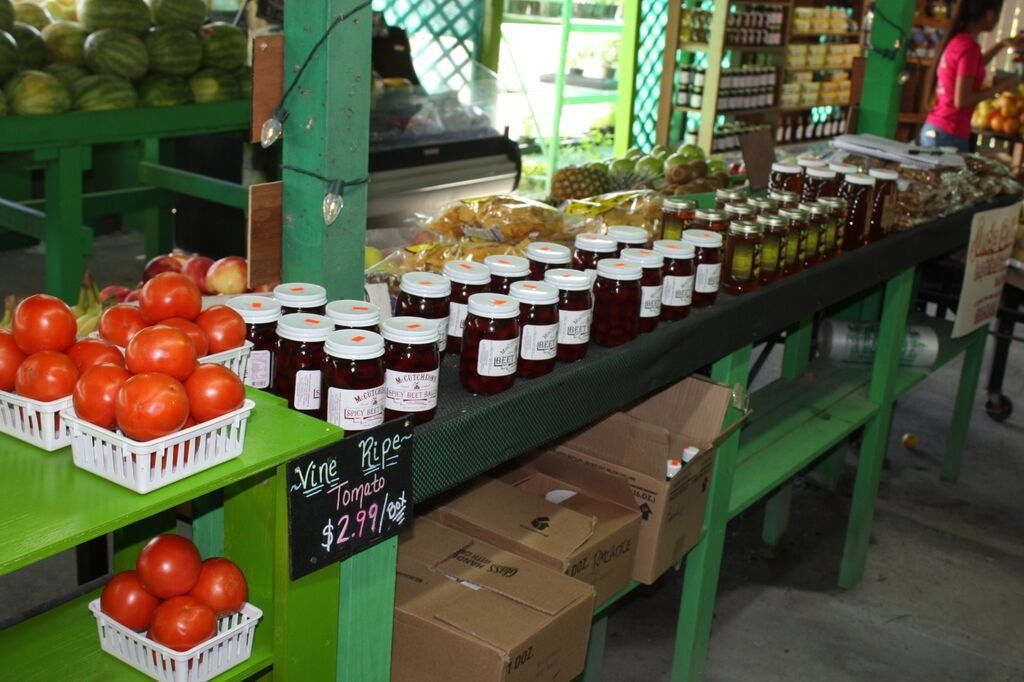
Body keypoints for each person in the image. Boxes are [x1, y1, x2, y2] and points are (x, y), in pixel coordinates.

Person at [920, 0, 1021, 152]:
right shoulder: (969, 47)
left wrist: (1001, 45)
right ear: (990, 15)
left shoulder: (959, 41)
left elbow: (974, 66)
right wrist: (999, 88)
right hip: (949, 133)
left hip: (936, 128)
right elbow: (962, 100)